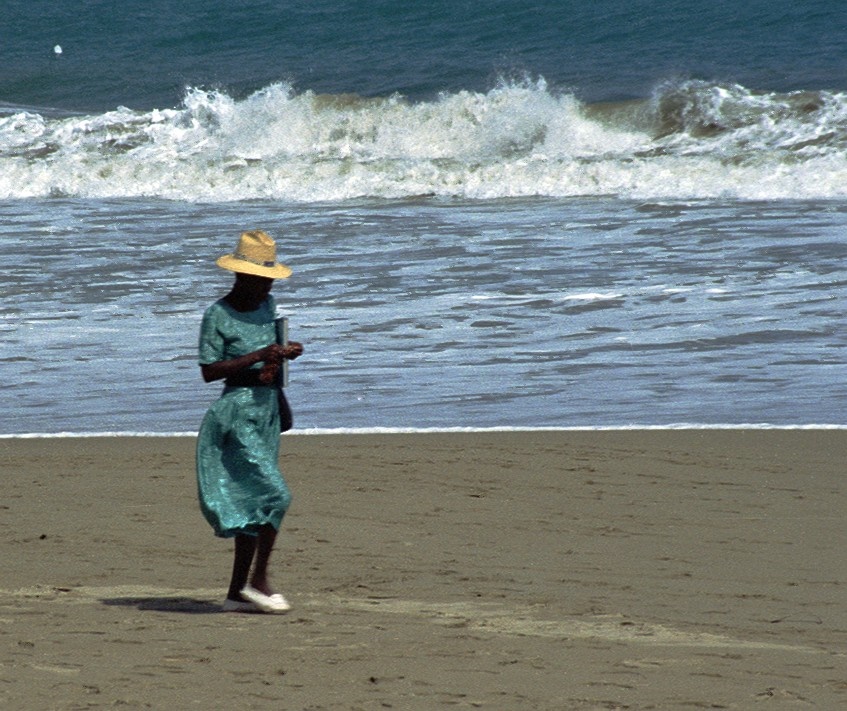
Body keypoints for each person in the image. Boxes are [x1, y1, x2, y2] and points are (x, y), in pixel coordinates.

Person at [195, 230, 304, 613]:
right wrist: (258, 353)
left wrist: (281, 385)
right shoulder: (217, 315)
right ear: (241, 277)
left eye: (270, 281)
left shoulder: (267, 307)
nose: (267, 288)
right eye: (261, 281)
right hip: (236, 413)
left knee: (253, 501)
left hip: (267, 410)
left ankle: (235, 593)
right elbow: (210, 371)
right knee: (276, 494)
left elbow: (271, 364)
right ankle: (258, 580)